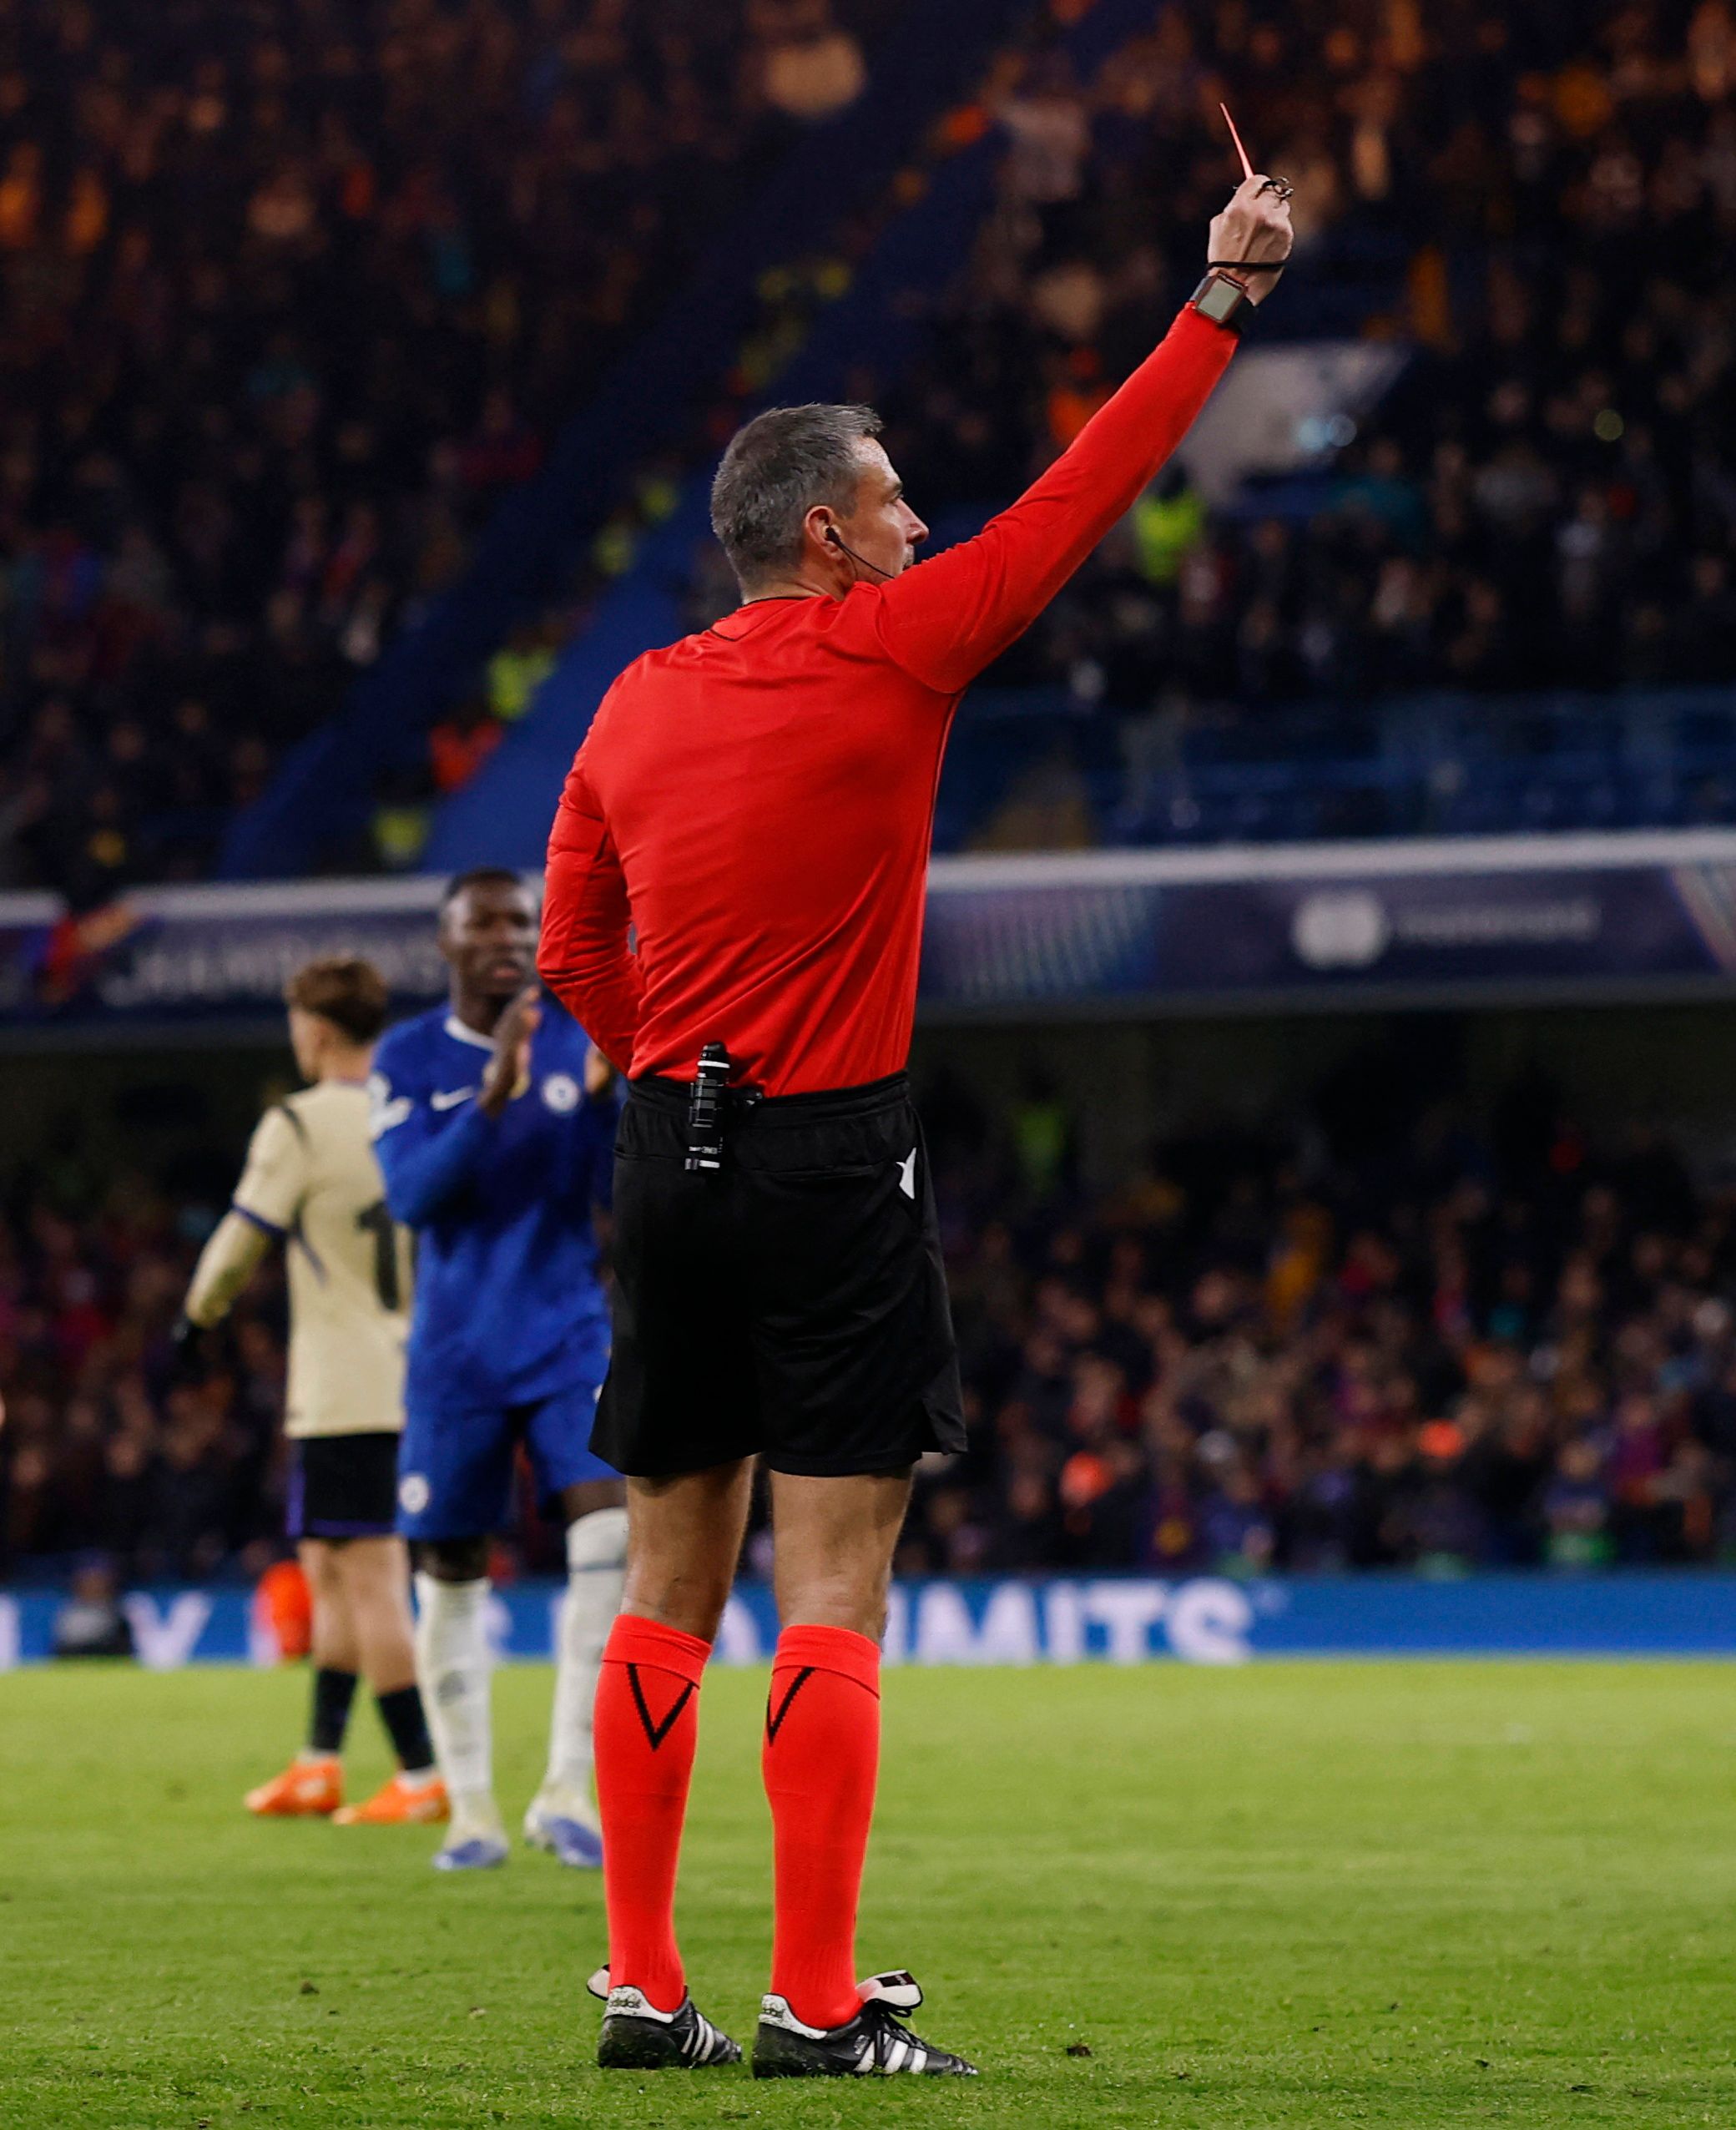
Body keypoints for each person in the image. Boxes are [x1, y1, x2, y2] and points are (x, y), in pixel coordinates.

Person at [535, 174, 1293, 2077]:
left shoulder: (627, 703)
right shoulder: (896, 644)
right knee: (834, 1581)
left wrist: (663, 1064)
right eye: (891, 501)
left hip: (667, 1159)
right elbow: (1079, 499)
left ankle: (641, 1985)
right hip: (829, 1158)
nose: (921, 523)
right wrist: (1217, 295)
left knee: (664, 1586)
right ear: (824, 532)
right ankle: (812, 1997)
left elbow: (566, 946)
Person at [372, 868, 628, 1872]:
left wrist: (603, 1107)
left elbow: (608, 1195)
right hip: (456, 1355)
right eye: (482, 923)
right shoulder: (408, 1056)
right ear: (446, 941)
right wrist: (488, 1101)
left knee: (610, 1531)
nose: (506, 938)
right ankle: (472, 1809)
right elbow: (411, 1197)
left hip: (567, 1335)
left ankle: (567, 1787)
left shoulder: (573, 1039)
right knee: (450, 1572)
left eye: (521, 921)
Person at [184, 956, 442, 1828]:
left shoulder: (299, 1122)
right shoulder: (409, 1109)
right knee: (330, 1567)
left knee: (371, 1576)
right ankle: (320, 1762)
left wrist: (195, 1316)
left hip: (348, 1387)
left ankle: (420, 1771)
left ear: (318, 1030)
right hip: (403, 1370)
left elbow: (238, 1241)